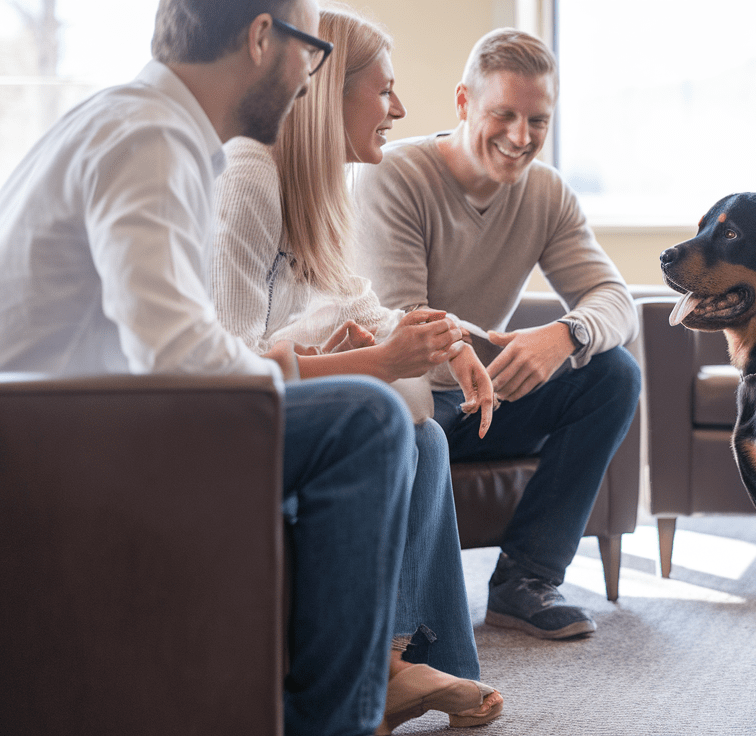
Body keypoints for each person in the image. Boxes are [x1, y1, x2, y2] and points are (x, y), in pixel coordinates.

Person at [0, 1, 450, 734]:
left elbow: (172, 342)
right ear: (262, 38)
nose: (310, 73)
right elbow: (176, 360)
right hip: (59, 450)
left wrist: (294, 365)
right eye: (308, 48)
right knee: (366, 420)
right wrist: (309, 375)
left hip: (70, 428)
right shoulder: (149, 136)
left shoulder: (132, 121)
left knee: (365, 412)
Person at [210, 5, 501, 731]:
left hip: (266, 410)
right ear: (329, 90)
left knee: (427, 437)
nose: (400, 108)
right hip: (216, 424)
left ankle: (396, 660)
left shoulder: (315, 189)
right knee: (395, 426)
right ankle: (392, 670)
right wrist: (379, 361)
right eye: (385, 90)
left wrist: (449, 343)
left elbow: (363, 305)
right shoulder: (246, 177)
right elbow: (221, 364)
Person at [353, 28, 642, 640]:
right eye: (503, 115)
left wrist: (565, 334)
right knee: (418, 404)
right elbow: (402, 321)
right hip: (411, 405)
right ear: (462, 103)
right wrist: (470, 357)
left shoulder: (547, 193)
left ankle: (526, 581)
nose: (521, 137)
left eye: (537, 120)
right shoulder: (393, 176)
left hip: (482, 401)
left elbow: (617, 301)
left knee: (614, 374)